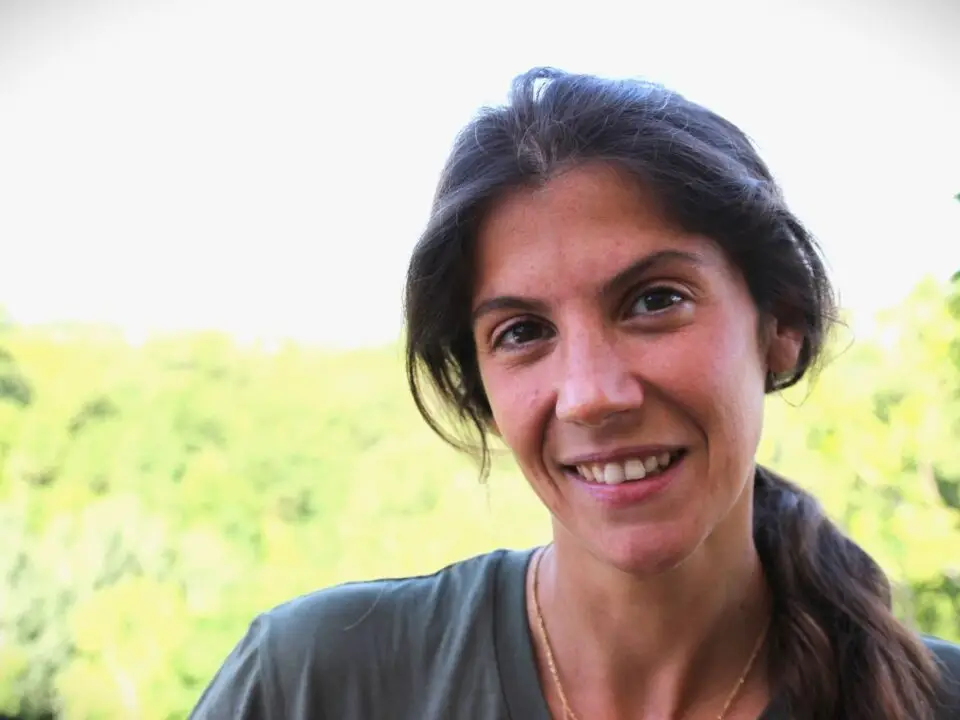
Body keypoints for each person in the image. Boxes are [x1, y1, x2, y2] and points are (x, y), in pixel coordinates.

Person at [189, 67, 960, 720]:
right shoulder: (316, 682)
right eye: (523, 332)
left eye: (655, 301)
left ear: (780, 322)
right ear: (480, 386)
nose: (591, 396)